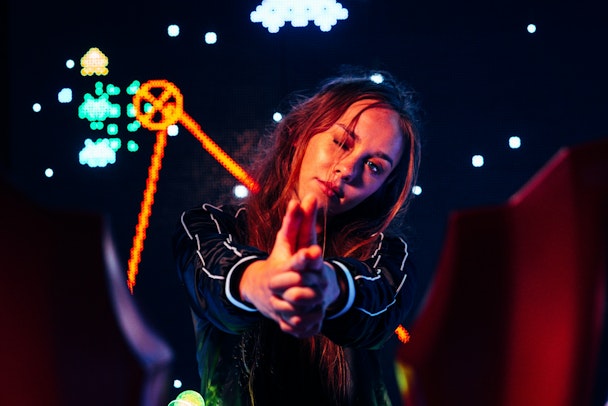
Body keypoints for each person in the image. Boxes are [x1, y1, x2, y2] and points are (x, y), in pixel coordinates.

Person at [173, 70, 422, 405]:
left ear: (383, 189)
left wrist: (329, 285)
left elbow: (378, 305)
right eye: (341, 142)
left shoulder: (388, 254)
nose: (348, 169)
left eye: (375, 166)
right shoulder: (208, 224)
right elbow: (213, 276)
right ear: (299, 135)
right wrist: (263, 281)